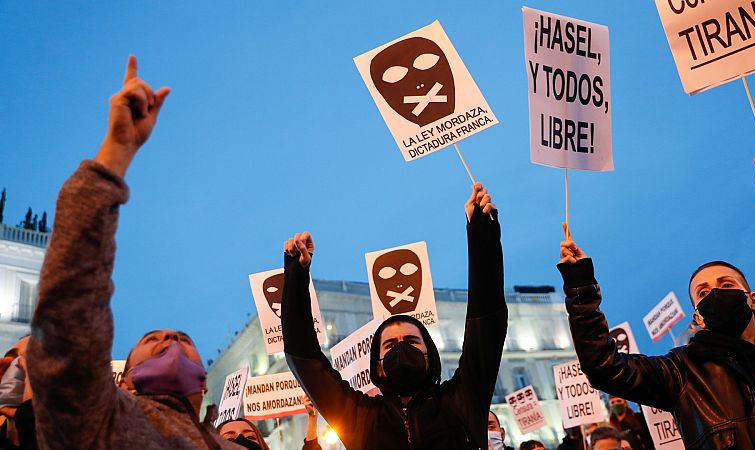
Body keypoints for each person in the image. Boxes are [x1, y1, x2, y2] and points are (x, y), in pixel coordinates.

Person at [26, 55, 241, 450]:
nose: (171, 339)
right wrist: (115, 153)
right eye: (152, 338)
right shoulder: (104, 422)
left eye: (181, 338)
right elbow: (70, 316)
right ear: (121, 380)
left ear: (205, 382)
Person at [557, 150, 755, 449]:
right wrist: (580, 285)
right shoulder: (682, 373)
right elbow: (603, 366)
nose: (716, 293)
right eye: (703, 292)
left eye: (726, 284)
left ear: (752, 299)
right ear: (697, 315)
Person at [280, 183, 507, 449]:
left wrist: (481, 231)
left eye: (411, 341)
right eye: (390, 345)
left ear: (429, 354)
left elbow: (487, 320)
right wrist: (296, 275)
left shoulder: (461, 398)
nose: (401, 348)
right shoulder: (359, 415)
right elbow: (304, 358)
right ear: (377, 365)